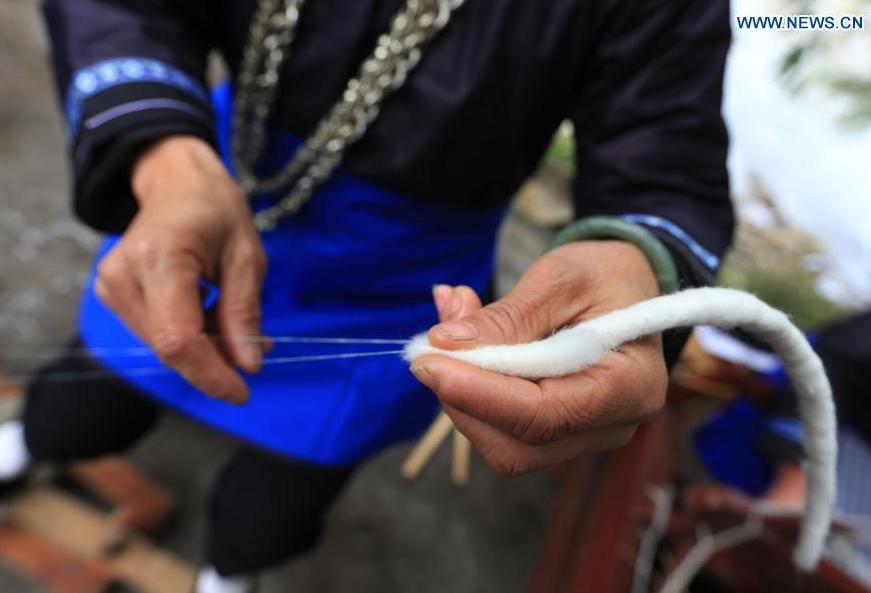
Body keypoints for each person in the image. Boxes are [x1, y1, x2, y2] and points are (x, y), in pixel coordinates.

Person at [0, 1, 733, 591]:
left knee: (268, 514)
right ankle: (33, 440)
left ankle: (230, 571)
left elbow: (666, 156)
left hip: (404, 278)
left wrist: (636, 268)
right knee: (80, 410)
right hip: (208, 197)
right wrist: (163, 154)